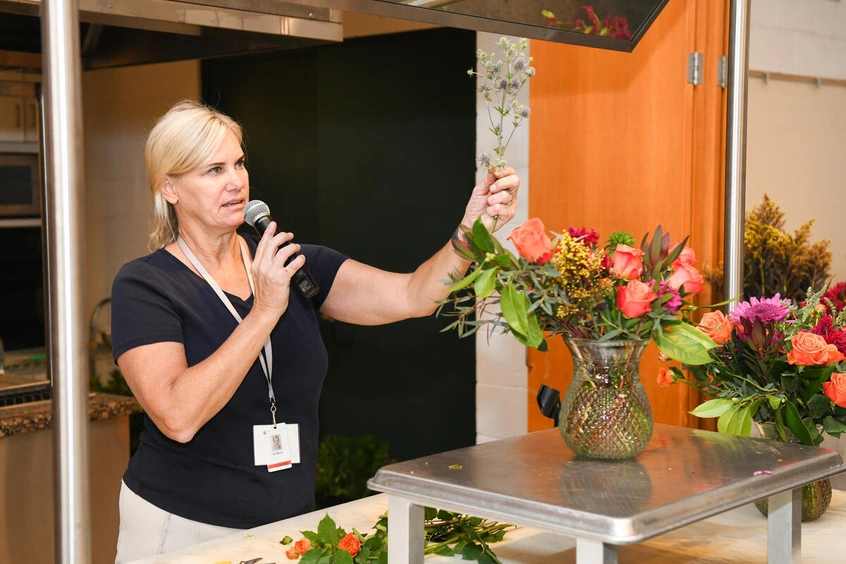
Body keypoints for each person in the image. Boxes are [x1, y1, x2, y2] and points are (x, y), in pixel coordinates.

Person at [110, 99, 520, 562]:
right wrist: (264, 310)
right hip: (185, 529)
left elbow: (413, 296)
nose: (236, 182)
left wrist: (470, 231)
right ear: (170, 188)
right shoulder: (145, 284)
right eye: (213, 170)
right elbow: (177, 417)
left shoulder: (297, 265)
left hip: (287, 525)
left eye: (239, 163)